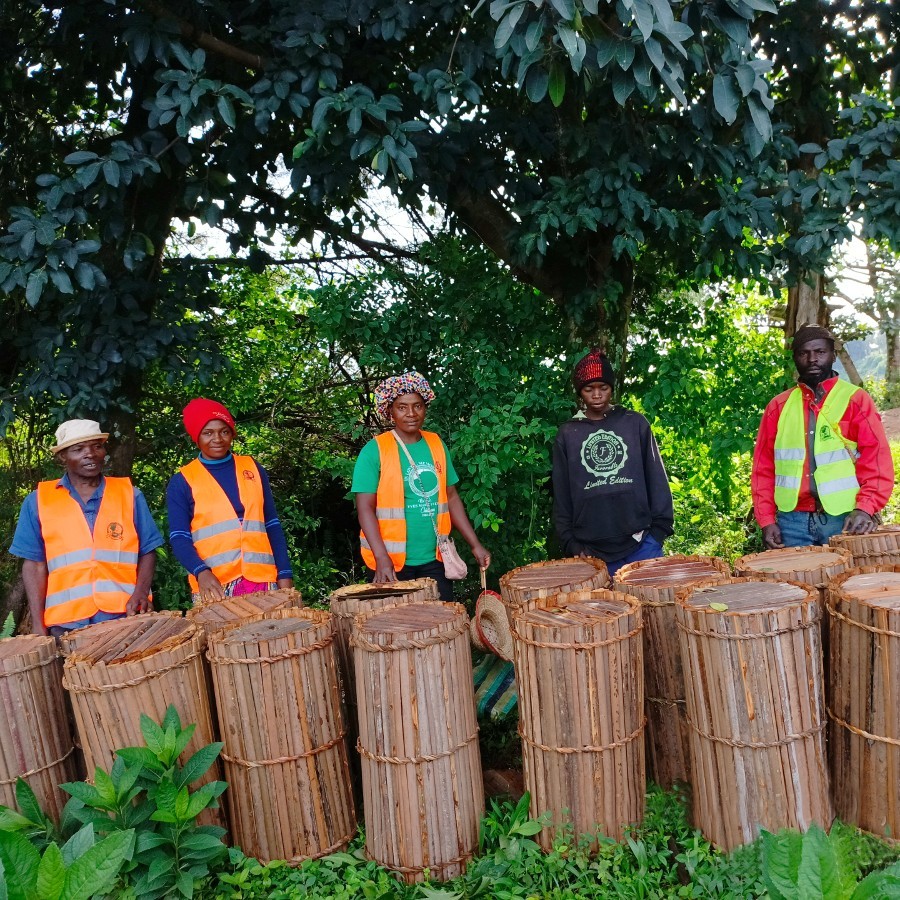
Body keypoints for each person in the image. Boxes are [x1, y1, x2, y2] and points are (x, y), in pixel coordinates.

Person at [10, 419, 163, 637]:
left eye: (96, 446)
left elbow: (148, 550)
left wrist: (141, 593)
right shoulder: (38, 501)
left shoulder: (129, 494)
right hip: (66, 623)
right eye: (78, 449)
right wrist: (38, 624)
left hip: (125, 615)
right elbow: (34, 565)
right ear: (63, 456)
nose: (90, 454)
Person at [351, 371, 491, 601]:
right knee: (398, 622)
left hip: (435, 559)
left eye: (417, 406)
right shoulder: (375, 450)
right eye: (402, 407)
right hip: (391, 562)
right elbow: (364, 507)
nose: (411, 414)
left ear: (425, 408)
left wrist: (475, 545)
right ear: (390, 411)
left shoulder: (436, 444)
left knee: (442, 619)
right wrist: (381, 557)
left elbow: (451, 497)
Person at [752, 324, 894, 549]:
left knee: (853, 572)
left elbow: (876, 459)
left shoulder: (856, 400)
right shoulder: (778, 407)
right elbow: (763, 468)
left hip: (846, 519)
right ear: (795, 358)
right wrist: (767, 520)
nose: (812, 359)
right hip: (791, 522)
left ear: (833, 355)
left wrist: (865, 508)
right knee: (791, 574)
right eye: (804, 353)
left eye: (820, 352)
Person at [552, 349, 674, 578]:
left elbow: (656, 478)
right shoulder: (568, 434)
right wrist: (572, 544)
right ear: (579, 392)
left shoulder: (634, 424)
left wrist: (658, 532)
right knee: (603, 602)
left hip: (642, 544)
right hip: (590, 552)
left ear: (612, 388)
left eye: (603, 388)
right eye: (589, 389)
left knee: (652, 600)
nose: (597, 395)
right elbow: (561, 494)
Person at [166, 398, 294, 604]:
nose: (217, 439)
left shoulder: (252, 468)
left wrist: (285, 574)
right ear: (196, 437)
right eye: (208, 433)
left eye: (224, 431)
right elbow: (179, 537)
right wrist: (201, 572)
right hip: (214, 586)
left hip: (263, 580)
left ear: (232, 434)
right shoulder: (183, 481)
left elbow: (272, 524)